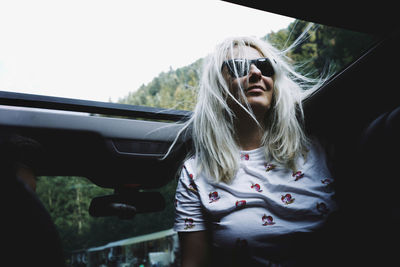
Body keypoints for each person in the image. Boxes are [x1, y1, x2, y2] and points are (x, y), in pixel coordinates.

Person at [172, 36, 336, 266]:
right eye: (239, 67)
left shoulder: (320, 149)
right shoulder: (195, 174)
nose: (256, 73)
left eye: (265, 66)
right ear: (218, 87)